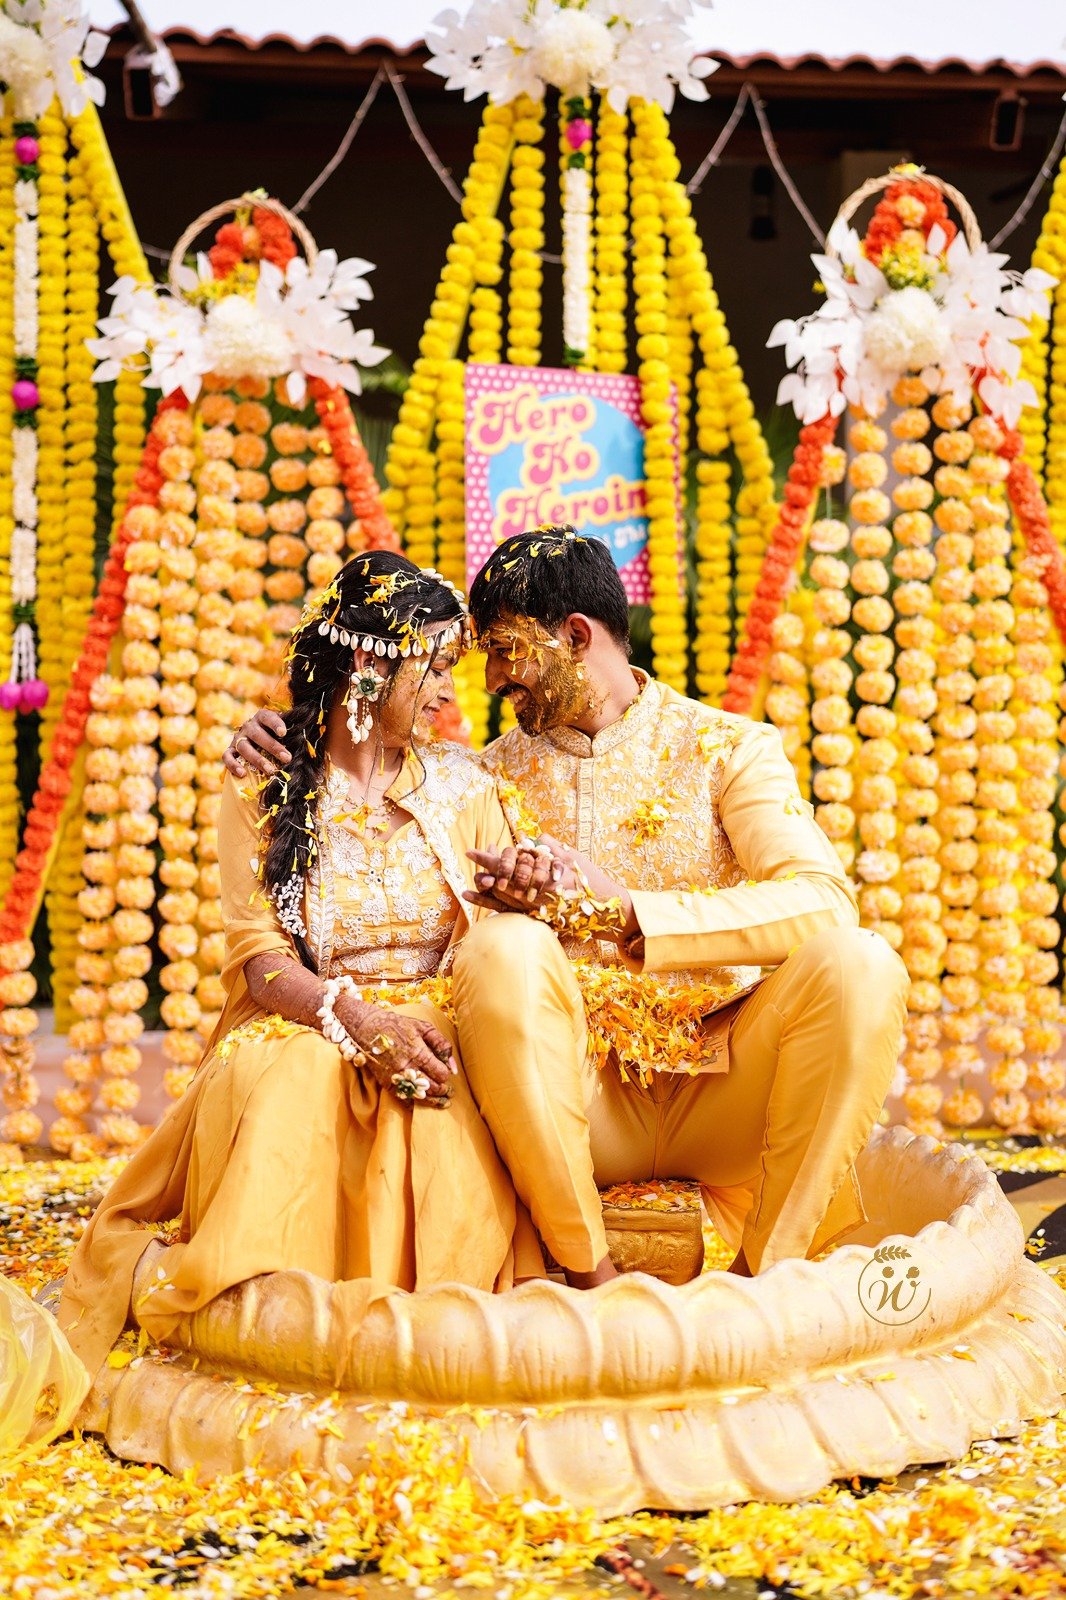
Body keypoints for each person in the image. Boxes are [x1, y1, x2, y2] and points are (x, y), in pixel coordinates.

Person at [227, 526, 909, 1290]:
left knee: (862, 964)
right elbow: (364, 779)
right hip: (577, 1099)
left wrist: (628, 913)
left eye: (503, 651)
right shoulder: (480, 777)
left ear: (576, 636)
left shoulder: (727, 750)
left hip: (726, 1080)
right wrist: (285, 736)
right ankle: (590, 1274)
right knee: (503, 950)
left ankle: (765, 1283)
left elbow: (823, 901)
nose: (489, 681)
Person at [59, 553, 544, 1381]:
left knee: (439, 1092)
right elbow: (260, 961)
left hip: (443, 1023)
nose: (446, 693)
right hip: (305, 1018)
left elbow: (501, 936)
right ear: (368, 663)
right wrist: (357, 1020)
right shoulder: (265, 783)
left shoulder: (467, 784)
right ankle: (279, 1325)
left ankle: (415, 1337)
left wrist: (525, 894)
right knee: (296, 1079)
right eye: (433, 667)